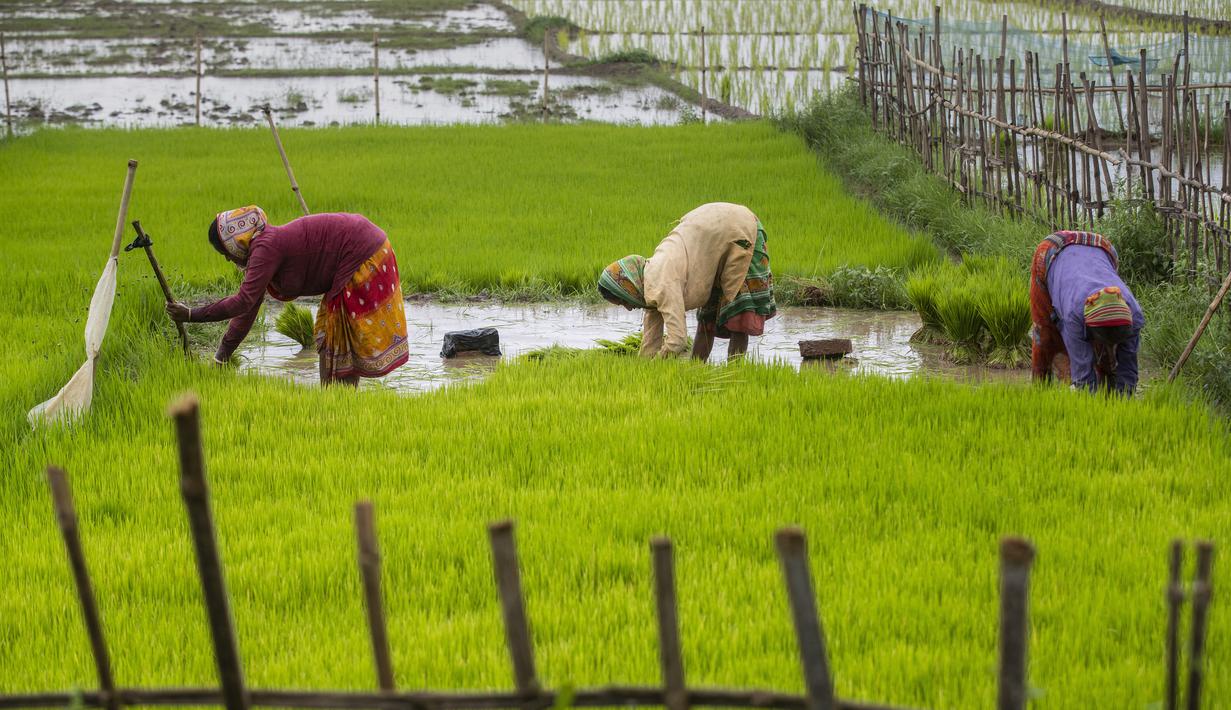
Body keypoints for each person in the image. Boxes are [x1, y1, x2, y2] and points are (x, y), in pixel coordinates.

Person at [166, 206, 409, 386]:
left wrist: (190, 314)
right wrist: (221, 358)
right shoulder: (263, 250)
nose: (229, 259)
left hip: (362, 251)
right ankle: (337, 404)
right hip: (362, 244)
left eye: (225, 253)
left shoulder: (265, 248)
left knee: (334, 335)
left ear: (235, 241)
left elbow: (243, 301)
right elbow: (247, 310)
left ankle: (336, 405)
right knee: (331, 336)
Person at [597, 202, 776, 360]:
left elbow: (678, 341)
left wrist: (659, 362)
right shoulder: (648, 281)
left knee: (738, 312)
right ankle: (696, 368)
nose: (629, 308)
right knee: (707, 316)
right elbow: (651, 337)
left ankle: (734, 374)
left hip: (739, 229)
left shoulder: (662, 283)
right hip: (710, 236)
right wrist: (644, 367)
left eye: (623, 301)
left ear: (628, 287)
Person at [1029, 230, 1144, 394]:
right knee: (1045, 336)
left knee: (1106, 357)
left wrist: (1125, 398)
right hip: (1052, 251)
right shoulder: (1073, 314)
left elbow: (1129, 364)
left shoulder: (1135, 316)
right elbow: (1083, 373)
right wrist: (1087, 399)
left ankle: (1109, 393)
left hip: (1103, 248)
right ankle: (1039, 393)